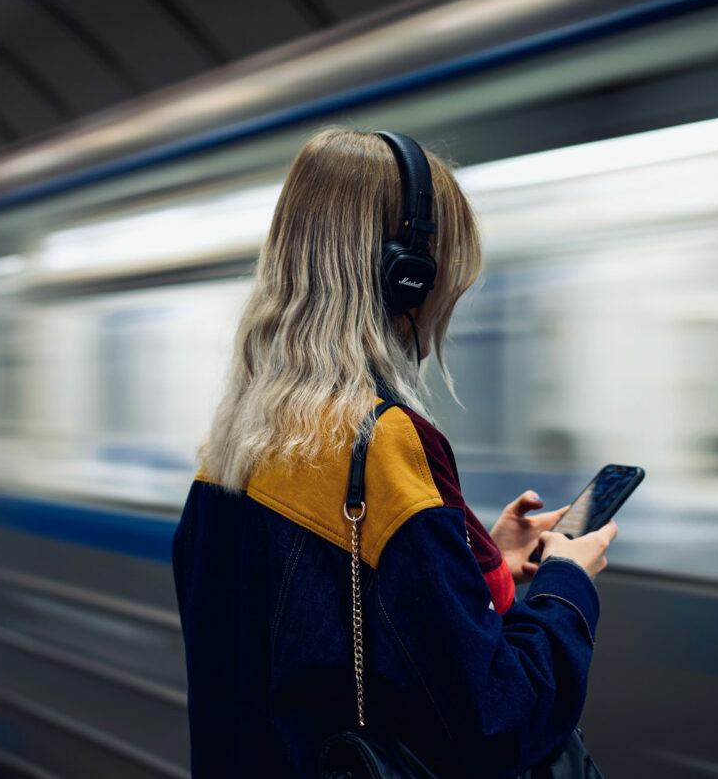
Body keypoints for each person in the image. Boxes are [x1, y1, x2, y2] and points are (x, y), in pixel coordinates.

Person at [171, 128, 617, 778]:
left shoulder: (231, 450)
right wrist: (567, 586)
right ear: (406, 278)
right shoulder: (378, 448)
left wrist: (477, 560)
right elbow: (497, 718)